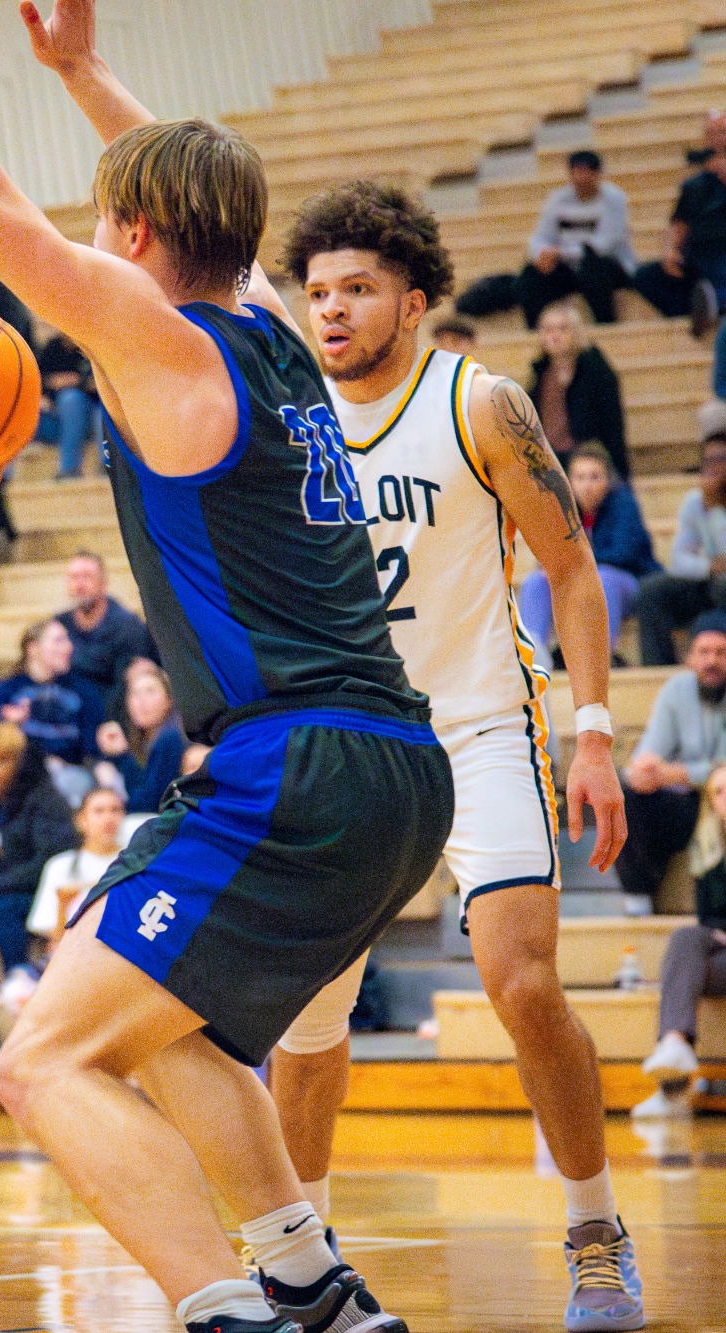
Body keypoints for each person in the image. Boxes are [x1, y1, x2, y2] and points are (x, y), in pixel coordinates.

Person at [0, 4, 457, 1331]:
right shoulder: (273, 331)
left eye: (112, 215)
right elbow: (201, 196)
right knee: (162, 1024)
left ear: (132, 234)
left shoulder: (157, 336)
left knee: (41, 1064)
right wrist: (81, 72)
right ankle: (309, 1286)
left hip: (294, 765)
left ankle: (224, 1309)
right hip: (389, 766)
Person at [274, 177, 641, 1332]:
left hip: (477, 725)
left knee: (520, 983)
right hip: (349, 743)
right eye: (316, 292)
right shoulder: (289, 419)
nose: (331, 310)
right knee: (307, 1025)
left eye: (356, 289)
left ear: (412, 300)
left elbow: (570, 571)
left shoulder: (477, 402)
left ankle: (592, 1230)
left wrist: (592, 733)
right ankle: (300, 1263)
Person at [0, 721, 78, 990]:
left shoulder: (46, 799)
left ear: (19, 761)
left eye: (0, 761)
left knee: (7, 908)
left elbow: (50, 860)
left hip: (33, 889)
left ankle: (19, 983)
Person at [634, 764, 726, 1117]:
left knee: (685, 965)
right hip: (719, 949)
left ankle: (671, 1091)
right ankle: (674, 1049)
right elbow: (708, 917)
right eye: (717, 792)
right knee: (686, 940)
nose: (725, 798)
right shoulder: (707, 844)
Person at [515, 443, 657, 668]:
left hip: (627, 583)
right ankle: (532, 657)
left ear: (609, 480)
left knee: (603, 577)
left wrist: (573, 563)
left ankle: (600, 658)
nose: (587, 486)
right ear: (569, 480)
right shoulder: (562, 505)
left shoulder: (624, 503)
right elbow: (550, 552)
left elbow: (623, 555)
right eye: (579, 478)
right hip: (579, 582)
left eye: (594, 477)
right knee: (536, 581)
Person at [619, 614, 726, 909]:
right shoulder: (676, 690)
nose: (711, 661)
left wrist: (673, 774)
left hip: (720, 799)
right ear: (690, 657)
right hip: (686, 804)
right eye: (704, 652)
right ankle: (637, 901)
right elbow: (648, 755)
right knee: (632, 794)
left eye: (721, 653)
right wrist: (645, 771)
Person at [632, 113, 726, 357]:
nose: (717, 138)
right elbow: (678, 224)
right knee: (645, 277)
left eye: (722, 132)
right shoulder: (694, 185)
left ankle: (712, 305)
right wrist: (670, 249)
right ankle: (697, 309)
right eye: (711, 133)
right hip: (696, 256)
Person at [635, 431, 726, 666]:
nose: (714, 468)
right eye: (708, 461)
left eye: (720, 459)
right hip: (709, 580)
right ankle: (657, 669)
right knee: (651, 590)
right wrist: (709, 566)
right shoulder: (696, 502)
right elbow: (679, 560)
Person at [517, 150, 636, 329]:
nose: (581, 178)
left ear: (597, 174)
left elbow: (603, 245)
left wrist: (561, 253)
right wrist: (541, 253)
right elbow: (541, 236)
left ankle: (606, 327)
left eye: (586, 172)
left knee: (593, 267)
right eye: (577, 172)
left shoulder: (614, 199)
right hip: (570, 267)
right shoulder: (558, 199)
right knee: (530, 276)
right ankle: (535, 331)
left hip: (608, 265)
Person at [0, 619, 103, 776]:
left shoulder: (84, 691)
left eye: (68, 640)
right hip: (21, 772)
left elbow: (92, 749)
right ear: (33, 648)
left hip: (70, 771)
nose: (69, 647)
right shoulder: (7, 690)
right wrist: (9, 726)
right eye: (58, 641)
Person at [527, 302, 630, 479]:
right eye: (548, 330)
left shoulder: (595, 369)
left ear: (575, 332)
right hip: (550, 463)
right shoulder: (540, 373)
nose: (555, 336)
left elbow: (612, 424)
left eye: (562, 329)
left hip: (589, 460)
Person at [26, 785, 130, 942]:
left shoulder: (138, 861)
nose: (108, 818)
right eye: (99, 811)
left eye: (115, 810)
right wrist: (63, 904)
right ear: (81, 820)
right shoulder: (60, 865)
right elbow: (53, 936)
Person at [56, 550, 155, 691]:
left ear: (103, 582)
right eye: (74, 577)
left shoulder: (128, 626)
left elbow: (134, 679)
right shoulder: (59, 625)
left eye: (87, 577)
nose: (79, 585)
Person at [93, 660, 183, 812]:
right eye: (135, 693)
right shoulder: (141, 742)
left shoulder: (171, 739)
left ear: (169, 699)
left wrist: (122, 756)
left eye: (150, 691)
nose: (141, 701)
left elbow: (147, 804)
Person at [38, 331, 95, 478]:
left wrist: (77, 381)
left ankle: (69, 468)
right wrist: (45, 392)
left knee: (71, 399)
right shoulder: (53, 347)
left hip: (87, 416)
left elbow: (101, 386)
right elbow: (38, 378)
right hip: (54, 417)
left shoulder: (90, 348)